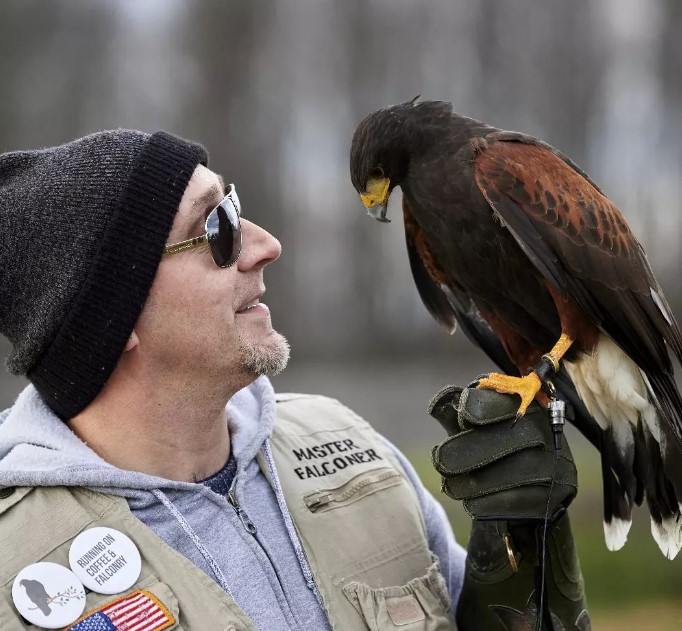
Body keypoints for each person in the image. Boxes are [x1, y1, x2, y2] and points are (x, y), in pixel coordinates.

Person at [0, 130, 587, 630]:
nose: (266, 245)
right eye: (218, 228)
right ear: (114, 315)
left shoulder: (352, 449)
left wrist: (524, 551)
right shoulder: (15, 566)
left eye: (235, 204)